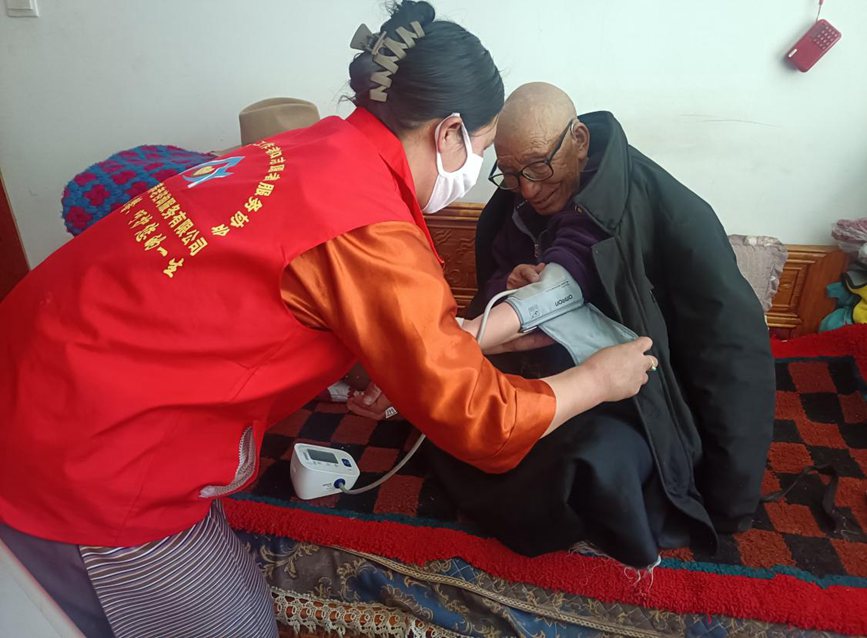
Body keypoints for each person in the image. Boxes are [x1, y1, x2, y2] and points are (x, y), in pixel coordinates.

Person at [0, 7, 657, 637]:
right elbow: (483, 419)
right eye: (483, 151)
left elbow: (309, 293)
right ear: (449, 132)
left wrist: (427, 349)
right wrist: (599, 379)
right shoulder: (372, 230)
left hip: (39, 362)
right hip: (77, 452)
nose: (481, 177)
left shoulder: (313, 147)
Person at [359, 82, 776, 568]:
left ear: (579, 139)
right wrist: (505, 288)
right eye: (510, 173)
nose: (528, 189)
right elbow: (501, 293)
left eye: (538, 167)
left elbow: (731, 351)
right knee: (455, 421)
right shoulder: (515, 200)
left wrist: (729, 502)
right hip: (545, 373)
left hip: (636, 396)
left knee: (597, 461)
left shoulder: (675, 214)